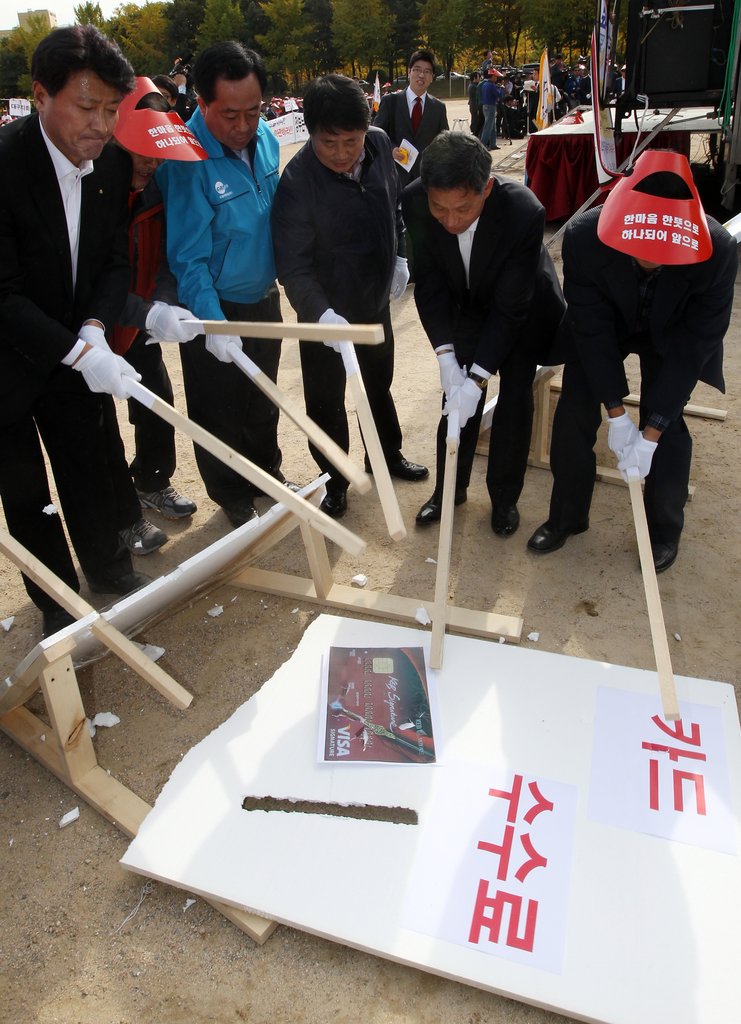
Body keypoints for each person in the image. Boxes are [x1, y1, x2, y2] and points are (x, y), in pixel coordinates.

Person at [0, 25, 149, 637]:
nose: (101, 126)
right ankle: (57, 600)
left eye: (112, 110)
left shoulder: (110, 162)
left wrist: (94, 327)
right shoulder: (5, 165)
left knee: (89, 463)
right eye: (87, 107)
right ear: (41, 94)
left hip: (76, 343)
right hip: (7, 359)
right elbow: (2, 292)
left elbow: (113, 260)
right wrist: (76, 350)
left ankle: (111, 568)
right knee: (26, 491)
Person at [528, 150, 738, 572]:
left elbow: (694, 346)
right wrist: (617, 415)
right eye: (640, 252)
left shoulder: (717, 250)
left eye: (663, 255)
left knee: (669, 425)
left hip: (673, 333)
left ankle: (663, 530)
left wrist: (650, 432)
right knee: (574, 412)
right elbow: (591, 328)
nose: (651, 261)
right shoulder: (587, 235)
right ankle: (568, 515)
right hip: (606, 324)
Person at [272, 74, 428, 520]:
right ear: (310, 133)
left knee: (378, 384)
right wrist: (321, 314)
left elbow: (394, 206)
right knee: (326, 400)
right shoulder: (297, 182)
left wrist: (400, 255)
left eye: (351, 141)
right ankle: (335, 480)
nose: (342, 153)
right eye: (330, 143)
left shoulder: (378, 144)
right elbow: (294, 267)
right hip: (324, 313)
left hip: (374, 301)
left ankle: (387, 454)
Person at [401, 132, 565, 535]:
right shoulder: (415, 199)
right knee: (455, 398)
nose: (451, 221)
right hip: (468, 303)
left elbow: (511, 308)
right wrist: (446, 357)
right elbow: (429, 283)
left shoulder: (523, 211)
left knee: (514, 396)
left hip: (523, 309)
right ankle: (449, 490)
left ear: (486, 189)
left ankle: (504, 498)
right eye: (439, 209)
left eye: (463, 208)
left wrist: (478, 378)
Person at [157, 41, 290, 528]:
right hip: (213, 305)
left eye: (253, 111)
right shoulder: (185, 159)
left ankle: (267, 473)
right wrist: (213, 324)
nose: (243, 126)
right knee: (219, 407)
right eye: (230, 115)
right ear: (203, 102)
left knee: (263, 399)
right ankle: (231, 492)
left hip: (263, 296)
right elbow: (187, 257)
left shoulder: (266, 137)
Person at [111, 77, 208, 542]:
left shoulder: (156, 190)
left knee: (155, 401)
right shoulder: (93, 193)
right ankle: (119, 515)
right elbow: (93, 279)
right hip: (91, 325)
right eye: (140, 152)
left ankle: (151, 482)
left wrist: (164, 303)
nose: (150, 163)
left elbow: (166, 256)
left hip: (141, 322)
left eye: (157, 153)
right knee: (95, 426)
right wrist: (142, 312)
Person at [372, 49, 448, 184]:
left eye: (427, 71)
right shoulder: (390, 101)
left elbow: (444, 142)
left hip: (425, 180)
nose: (421, 75)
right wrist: (391, 149)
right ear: (409, 72)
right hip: (394, 177)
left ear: (432, 77)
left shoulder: (438, 108)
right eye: (417, 70)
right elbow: (376, 136)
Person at [479, 68, 504, 150]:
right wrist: (501, 88)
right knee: (488, 126)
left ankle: (493, 144)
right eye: (495, 77)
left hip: (485, 106)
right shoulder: (492, 85)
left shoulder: (485, 84)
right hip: (491, 106)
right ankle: (483, 145)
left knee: (492, 126)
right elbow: (499, 95)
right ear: (492, 76)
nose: (496, 78)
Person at [467, 71, 483, 137]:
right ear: (474, 78)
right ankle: (474, 133)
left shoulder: (473, 85)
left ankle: (475, 133)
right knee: (475, 120)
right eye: (478, 77)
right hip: (475, 106)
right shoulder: (473, 86)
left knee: (475, 120)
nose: (480, 78)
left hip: (473, 105)